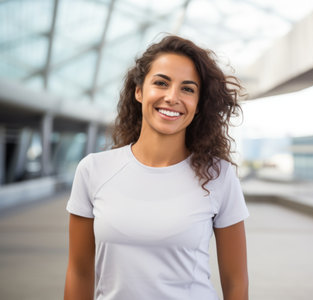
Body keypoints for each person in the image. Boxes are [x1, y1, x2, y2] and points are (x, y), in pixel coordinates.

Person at [64, 35, 249, 300]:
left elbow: (236, 282)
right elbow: (79, 272)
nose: (172, 97)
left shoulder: (219, 175)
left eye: (188, 89)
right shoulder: (93, 170)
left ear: (198, 105)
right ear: (139, 91)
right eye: (161, 83)